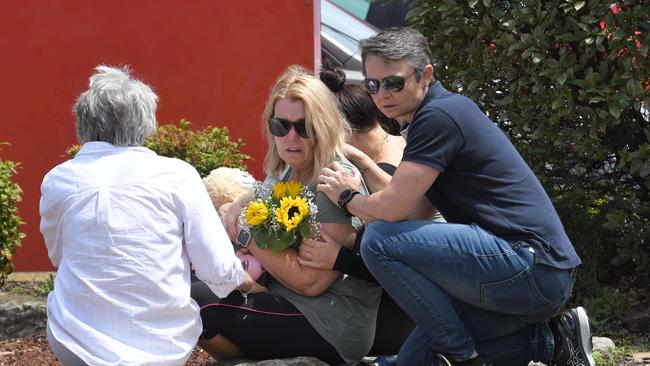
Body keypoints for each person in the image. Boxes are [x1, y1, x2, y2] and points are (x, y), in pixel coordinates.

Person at [317, 27, 594, 366]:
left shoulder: (439, 117)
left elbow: (391, 212)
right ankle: (553, 341)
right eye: (373, 85)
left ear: (426, 76)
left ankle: (461, 357)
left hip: (530, 266)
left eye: (393, 82)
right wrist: (362, 161)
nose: (381, 94)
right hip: (530, 273)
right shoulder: (426, 119)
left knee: (376, 240)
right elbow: (415, 210)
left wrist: (346, 196)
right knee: (416, 362)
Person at [39, 65, 259, 366]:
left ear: (83, 123)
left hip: (76, 343)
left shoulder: (59, 179)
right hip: (164, 346)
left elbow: (59, 255)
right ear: (145, 122)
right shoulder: (178, 175)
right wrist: (252, 284)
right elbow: (218, 267)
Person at [190, 65, 382, 365]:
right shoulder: (286, 170)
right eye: (281, 126)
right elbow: (255, 207)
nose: (291, 137)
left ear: (323, 127)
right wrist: (236, 205)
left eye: (303, 127)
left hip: (329, 321)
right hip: (286, 301)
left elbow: (310, 282)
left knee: (196, 305)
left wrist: (246, 233)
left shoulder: (332, 181)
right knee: (186, 292)